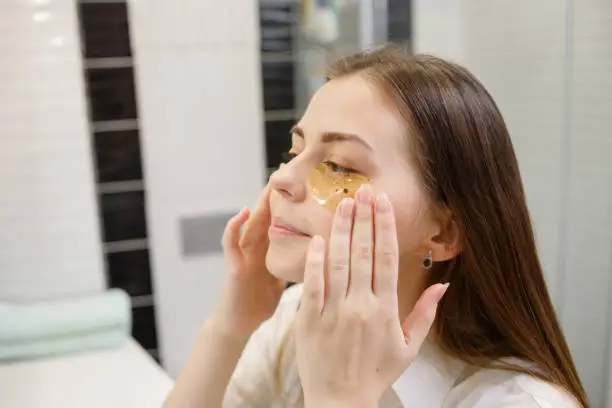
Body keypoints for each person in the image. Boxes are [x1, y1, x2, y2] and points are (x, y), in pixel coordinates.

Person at [162, 46, 588, 408]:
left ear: (443, 234)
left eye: (338, 166)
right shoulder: (299, 319)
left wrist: (339, 399)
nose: (281, 179)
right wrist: (229, 327)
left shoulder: (516, 402)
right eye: (294, 151)